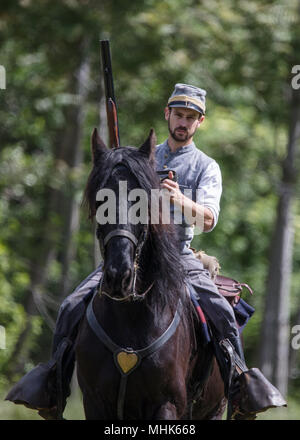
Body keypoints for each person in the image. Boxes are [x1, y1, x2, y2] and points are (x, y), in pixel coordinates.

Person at [6, 84, 286, 420]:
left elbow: (209, 219)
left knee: (220, 312)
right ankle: (52, 385)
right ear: (168, 115)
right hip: (129, 253)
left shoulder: (205, 166)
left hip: (180, 257)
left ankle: (241, 386)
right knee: (70, 305)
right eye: (178, 115)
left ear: (200, 122)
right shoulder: (139, 158)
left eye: (191, 117)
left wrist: (178, 199)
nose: (183, 122)